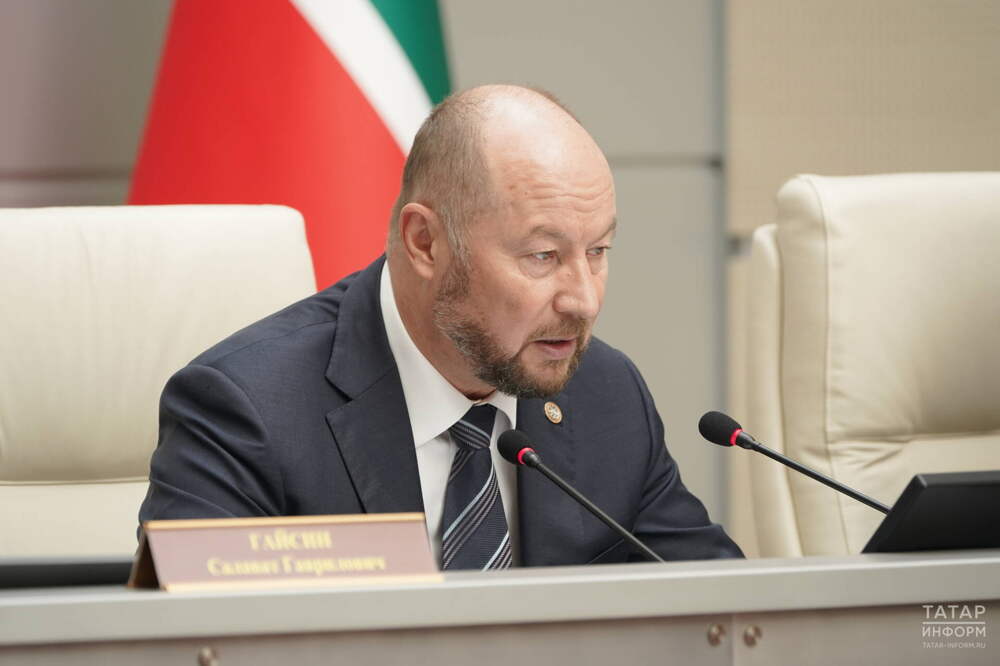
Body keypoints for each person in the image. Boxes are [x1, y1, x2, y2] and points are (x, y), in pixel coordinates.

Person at [139, 85, 743, 568]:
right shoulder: (246, 410)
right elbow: (197, 644)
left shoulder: (605, 394)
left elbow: (718, 616)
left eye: (598, 251)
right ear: (425, 242)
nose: (583, 301)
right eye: (542, 256)